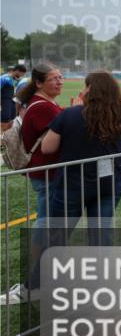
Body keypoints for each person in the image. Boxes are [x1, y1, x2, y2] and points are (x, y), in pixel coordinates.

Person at [42, 70, 121, 247]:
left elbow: (47, 147)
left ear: (90, 89)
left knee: (57, 237)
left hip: (73, 183)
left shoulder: (71, 114)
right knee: (101, 236)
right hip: (109, 181)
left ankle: (46, 273)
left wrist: (74, 111)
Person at [19, 62, 65, 290]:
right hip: (46, 172)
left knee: (48, 220)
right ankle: (39, 270)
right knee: (46, 221)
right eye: (54, 78)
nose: (60, 81)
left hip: (46, 171)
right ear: (39, 83)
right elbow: (60, 134)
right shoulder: (42, 107)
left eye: (61, 77)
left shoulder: (43, 104)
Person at [1, 64, 27, 132]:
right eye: (22, 74)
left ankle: (8, 137)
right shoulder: (4, 78)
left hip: (12, 101)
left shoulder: (14, 79)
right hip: (5, 101)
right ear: (18, 71)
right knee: (5, 118)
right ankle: (2, 137)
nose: (22, 76)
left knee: (12, 118)